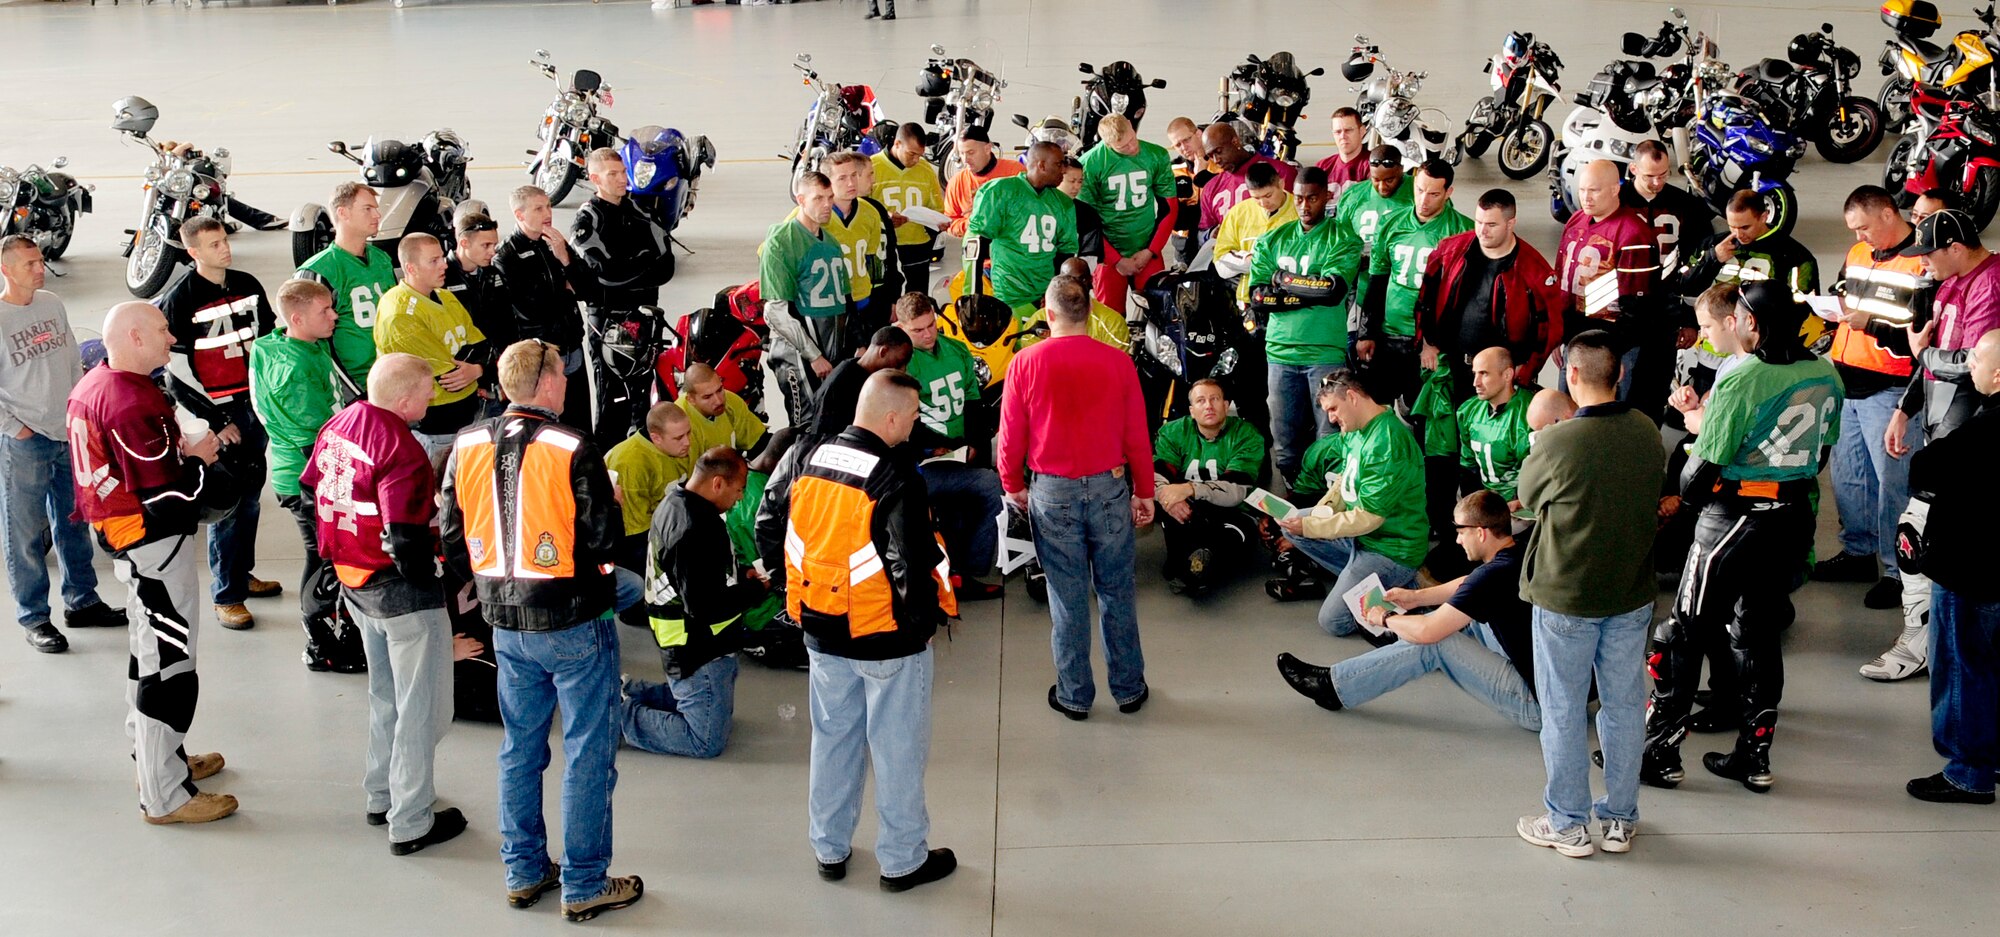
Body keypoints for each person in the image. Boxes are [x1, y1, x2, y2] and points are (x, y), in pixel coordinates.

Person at [438, 340, 641, 922]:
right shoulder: (572, 446)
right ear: (551, 381)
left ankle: (523, 871)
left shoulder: (468, 443)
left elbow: (452, 535)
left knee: (520, 748)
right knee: (587, 752)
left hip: (505, 621)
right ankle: (583, 883)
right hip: (574, 619)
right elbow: (604, 543)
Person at [1646, 282, 1843, 794]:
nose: (1731, 324)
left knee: (1682, 630)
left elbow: (1699, 474)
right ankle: (1754, 758)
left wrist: (1680, 507)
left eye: (1738, 318)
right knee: (1757, 632)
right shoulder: (1827, 372)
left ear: (1751, 322)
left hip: (1733, 515)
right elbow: (1821, 453)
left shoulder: (1744, 379)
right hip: (1794, 513)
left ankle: (1658, 752)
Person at [789, 370, 959, 891]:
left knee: (833, 738)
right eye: (911, 415)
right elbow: (908, 562)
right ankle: (902, 860)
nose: (914, 424)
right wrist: (921, 629)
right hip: (885, 639)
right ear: (890, 418)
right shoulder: (896, 476)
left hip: (822, 630)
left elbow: (772, 526)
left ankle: (829, 848)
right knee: (897, 747)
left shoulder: (809, 457)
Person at [70, 301, 231, 824]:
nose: (171, 338)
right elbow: (169, 495)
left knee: (149, 652)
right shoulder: (127, 402)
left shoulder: (96, 382)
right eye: (162, 330)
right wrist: (201, 460)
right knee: (170, 663)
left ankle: (155, 755)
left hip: (127, 539)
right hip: (152, 545)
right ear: (135, 338)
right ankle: (165, 793)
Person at [302, 353, 464, 854]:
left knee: (385, 696)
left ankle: (381, 794)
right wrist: (433, 582)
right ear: (404, 399)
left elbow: (311, 495)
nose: (433, 398)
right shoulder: (401, 447)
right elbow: (406, 540)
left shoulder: (339, 423)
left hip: (354, 584)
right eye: (428, 391)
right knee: (425, 708)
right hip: (400, 594)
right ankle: (412, 819)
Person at [1512, 330, 1664, 859]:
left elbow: (1527, 501)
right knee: (1623, 707)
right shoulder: (1645, 430)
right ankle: (1620, 819)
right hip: (1629, 592)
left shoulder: (1558, 441)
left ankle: (1569, 825)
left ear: (1570, 375)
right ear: (1618, 374)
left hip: (1566, 596)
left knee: (1562, 710)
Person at [999, 277, 1154, 719]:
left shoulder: (1025, 363)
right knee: (1117, 591)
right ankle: (1128, 689)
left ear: (1048, 315)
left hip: (1052, 490)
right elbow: (1137, 437)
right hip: (1110, 486)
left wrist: (1013, 484)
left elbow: (1011, 437)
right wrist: (1144, 491)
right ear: (1089, 311)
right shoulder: (1117, 362)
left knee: (1066, 598)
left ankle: (1074, 695)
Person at [1275, 490, 1540, 730]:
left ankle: (1333, 687)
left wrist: (1386, 618)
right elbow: (1467, 585)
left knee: (1436, 641)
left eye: (1460, 531)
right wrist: (1415, 597)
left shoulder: (1493, 575)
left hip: (1535, 705)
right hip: (1559, 690)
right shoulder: (1515, 555)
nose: (1458, 540)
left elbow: (1429, 631)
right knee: (1468, 620)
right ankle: (1404, 638)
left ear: (1480, 532)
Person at [1822, 186, 1931, 672]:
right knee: (1848, 475)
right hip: (1846, 379)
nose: (1860, 237)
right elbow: (1846, 292)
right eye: (1854, 231)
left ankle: (1893, 569)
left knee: (1893, 484)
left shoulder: (1919, 263)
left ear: (1889, 213)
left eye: (1864, 226)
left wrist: (1868, 325)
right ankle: (1859, 549)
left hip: (1890, 388)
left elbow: (1919, 332)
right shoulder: (1859, 251)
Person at [0, 236, 124, 653]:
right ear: (6, 270)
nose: (40, 269)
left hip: (67, 432)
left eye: (40, 261)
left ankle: (82, 601)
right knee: (25, 535)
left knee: (74, 520)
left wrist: (79, 412)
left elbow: (73, 359)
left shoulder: (51, 303)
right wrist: (17, 428)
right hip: (25, 443)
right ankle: (34, 616)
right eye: (30, 263)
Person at [157, 216, 281, 630]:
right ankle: (227, 596)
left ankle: (241, 573)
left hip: (256, 407)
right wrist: (217, 419)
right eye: (212, 245)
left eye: (224, 240)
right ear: (192, 253)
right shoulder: (180, 299)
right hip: (221, 416)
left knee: (250, 498)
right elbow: (176, 371)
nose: (223, 249)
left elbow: (267, 344)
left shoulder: (247, 284)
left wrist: (268, 399)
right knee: (227, 503)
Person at [1903, 328, 2000, 805]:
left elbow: (1924, 469)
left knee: (1963, 668)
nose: (1969, 367)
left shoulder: (1982, 428)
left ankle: (1968, 770)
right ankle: (1992, 755)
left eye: (1977, 359)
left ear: (1998, 374)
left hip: (1969, 568)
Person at [622, 446, 767, 759]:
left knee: (711, 708)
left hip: (695, 640)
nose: (740, 498)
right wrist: (757, 591)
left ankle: (632, 692)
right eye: (739, 489)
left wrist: (742, 574)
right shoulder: (695, 527)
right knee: (706, 740)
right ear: (717, 484)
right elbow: (705, 606)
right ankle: (619, 717)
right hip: (697, 647)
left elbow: (702, 572)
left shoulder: (678, 501)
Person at [251, 278, 364, 674]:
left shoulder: (275, 343)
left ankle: (328, 634)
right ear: (297, 319)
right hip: (307, 477)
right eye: (325, 312)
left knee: (321, 556)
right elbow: (322, 431)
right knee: (323, 560)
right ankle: (321, 642)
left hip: (301, 471)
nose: (334, 315)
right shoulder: (296, 370)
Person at [1271, 369, 1428, 637]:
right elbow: (1345, 481)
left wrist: (1311, 527)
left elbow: (1369, 517)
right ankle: (1363, 579)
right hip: (1363, 539)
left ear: (1353, 397)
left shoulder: (1387, 441)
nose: (1331, 419)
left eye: (1333, 409)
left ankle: (1408, 590)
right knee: (1290, 523)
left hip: (1391, 549)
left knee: (1333, 621)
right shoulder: (1354, 430)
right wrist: (1323, 511)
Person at [1247, 166, 1362, 484]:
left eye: (1312, 198)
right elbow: (1257, 296)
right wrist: (1309, 289)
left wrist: (1282, 281)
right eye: (1298, 198)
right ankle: (1293, 503)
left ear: (1327, 196)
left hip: (1325, 351)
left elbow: (1333, 290)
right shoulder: (1273, 238)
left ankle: (1323, 507)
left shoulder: (1343, 238)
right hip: (1280, 353)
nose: (1304, 205)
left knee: (1328, 438)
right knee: (1284, 441)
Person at [894, 293, 1007, 597]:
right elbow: (904, 423)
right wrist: (933, 448)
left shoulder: (957, 351)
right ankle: (965, 572)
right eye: (918, 330)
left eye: (931, 325)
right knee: (988, 487)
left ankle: (963, 570)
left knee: (978, 492)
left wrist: (975, 445)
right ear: (901, 327)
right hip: (922, 462)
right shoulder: (901, 364)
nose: (928, 334)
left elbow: (974, 404)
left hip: (959, 450)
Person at [1414, 188, 1566, 405]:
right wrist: (1427, 343)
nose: (1482, 231)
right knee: (1443, 432)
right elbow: (1426, 297)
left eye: (1491, 225)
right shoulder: (1451, 251)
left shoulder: (1535, 271)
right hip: (1452, 367)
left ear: (1511, 224)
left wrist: (1527, 368)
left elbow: (1551, 328)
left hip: (1502, 379)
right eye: (1478, 222)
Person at [570, 147, 675, 445]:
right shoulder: (588, 220)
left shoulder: (642, 211)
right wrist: (643, 261)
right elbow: (604, 274)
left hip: (645, 322)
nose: (622, 180)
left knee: (645, 400)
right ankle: (606, 467)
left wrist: (627, 264)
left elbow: (666, 267)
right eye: (613, 174)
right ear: (595, 179)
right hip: (608, 325)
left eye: (624, 173)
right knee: (613, 402)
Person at [1361, 158, 1473, 406]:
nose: (1423, 200)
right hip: (1390, 334)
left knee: (1423, 414)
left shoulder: (1463, 232)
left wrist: (1433, 342)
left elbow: (1460, 299)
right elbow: (1377, 280)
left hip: (1430, 343)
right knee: (1377, 408)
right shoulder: (1390, 223)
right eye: (1420, 190)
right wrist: (1366, 332)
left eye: (1433, 194)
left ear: (1448, 193)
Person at [1556, 160, 1663, 416]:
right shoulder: (1576, 220)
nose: (1586, 198)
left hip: (1611, 349)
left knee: (1604, 418)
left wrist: (1610, 353)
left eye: (1594, 190)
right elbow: (1562, 278)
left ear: (1616, 189)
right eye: (1582, 190)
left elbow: (1638, 306)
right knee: (1565, 414)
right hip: (1574, 341)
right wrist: (1557, 333)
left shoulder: (1634, 234)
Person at [374, 233, 492, 456]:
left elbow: (483, 346)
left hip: (466, 416)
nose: (444, 265)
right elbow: (449, 377)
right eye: (434, 261)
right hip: (434, 427)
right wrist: (478, 366)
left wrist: (478, 369)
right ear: (411, 268)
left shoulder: (445, 296)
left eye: (442, 258)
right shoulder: (399, 314)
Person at [1152, 378, 1266, 595]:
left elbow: (1235, 492)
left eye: (1215, 399)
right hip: (1186, 508)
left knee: (1236, 539)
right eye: (1201, 401)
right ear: (1191, 410)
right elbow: (1156, 478)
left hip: (1232, 513)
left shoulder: (1247, 435)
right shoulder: (1173, 432)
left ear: (1226, 405)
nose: (1208, 406)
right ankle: (1194, 567)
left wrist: (1191, 488)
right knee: (1176, 517)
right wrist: (1168, 500)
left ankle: (1195, 567)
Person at [494, 184, 594, 426]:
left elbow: (588, 288)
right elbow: (533, 309)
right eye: (538, 208)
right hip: (543, 356)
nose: (547, 213)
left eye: (548, 206)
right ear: (520, 215)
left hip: (573, 348)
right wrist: (566, 291)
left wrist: (565, 259)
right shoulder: (507, 256)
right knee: (549, 425)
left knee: (580, 422)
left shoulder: (556, 242)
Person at [763, 171, 855, 424]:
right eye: (818, 199)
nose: (827, 205)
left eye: (829, 197)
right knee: (805, 422)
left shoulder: (832, 242)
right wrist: (813, 356)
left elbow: (844, 301)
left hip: (831, 346)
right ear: (800, 199)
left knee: (832, 418)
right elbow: (775, 311)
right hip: (798, 353)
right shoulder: (781, 242)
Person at [295, 182, 395, 390]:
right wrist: (352, 393)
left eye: (376, 208)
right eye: (368, 209)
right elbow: (310, 342)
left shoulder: (382, 259)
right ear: (343, 213)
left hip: (390, 376)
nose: (377, 215)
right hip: (355, 387)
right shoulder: (318, 271)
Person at [966, 141, 1079, 320]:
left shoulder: (1063, 203)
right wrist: (974, 296)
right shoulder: (1000, 192)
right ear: (1041, 165)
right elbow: (975, 244)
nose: (1064, 170)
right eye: (1058, 164)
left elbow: (1065, 254)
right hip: (1009, 296)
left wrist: (1055, 291)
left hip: (1045, 296)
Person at [801, 151, 901, 343]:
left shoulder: (870, 212)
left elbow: (875, 258)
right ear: (827, 182)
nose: (851, 183)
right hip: (828, 309)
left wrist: (890, 296)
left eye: (854, 175)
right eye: (842, 178)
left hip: (864, 303)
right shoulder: (811, 215)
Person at [1080, 115, 1177, 313]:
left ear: (1132, 127)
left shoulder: (1156, 155)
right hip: (1109, 255)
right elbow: (1086, 221)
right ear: (1107, 144)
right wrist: (1116, 259)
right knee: (1110, 320)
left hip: (1147, 248)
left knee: (1160, 312)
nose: (1132, 148)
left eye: (1132, 139)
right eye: (1123, 147)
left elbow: (1169, 208)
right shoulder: (1090, 164)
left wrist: (1151, 250)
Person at [1622, 139, 1720, 299]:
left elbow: (1699, 249)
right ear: (1634, 169)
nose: (1657, 182)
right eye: (1649, 176)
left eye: (1663, 174)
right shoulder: (1618, 201)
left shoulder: (1686, 204)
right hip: (1626, 290)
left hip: (1670, 292)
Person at [1332, 147, 1415, 330]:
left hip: (1405, 303)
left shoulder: (1418, 194)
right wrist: (1354, 259)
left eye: (1389, 180)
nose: (1382, 187)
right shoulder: (1353, 197)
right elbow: (1340, 244)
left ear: (1401, 170)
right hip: (1363, 295)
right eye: (1376, 180)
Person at [605, 402, 694, 569]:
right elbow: (634, 537)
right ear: (656, 438)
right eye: (679, 438)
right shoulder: (630, 463)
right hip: (630, 542)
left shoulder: (677, 447)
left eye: (688, 433)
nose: (687, 442)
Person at [1458, 346, 1535, 510]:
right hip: (1488, 503)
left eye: (1484, 373)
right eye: (1475, 374)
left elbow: (1539, 475)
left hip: (1523, 507)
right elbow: (1468, 465)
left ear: (1507, 375)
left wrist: (1521, 503)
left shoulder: (1530, 413)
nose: (1475, 383)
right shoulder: (1468, 410)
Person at [874, 123, 946, 293]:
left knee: (918, 297)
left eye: (919, 155)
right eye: (911, 154)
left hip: (917, 245)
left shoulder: (926, 170)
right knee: (888, 297)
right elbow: (861, 206)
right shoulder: (872, 166)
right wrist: (884, 219)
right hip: (883, 246)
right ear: (897, 144)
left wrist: (938, 223)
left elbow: (936, 207)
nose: (915, 160)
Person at [1197, 121, 1298, 239]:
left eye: (1218, 152)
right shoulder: (1211, 188)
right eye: (1210, 156)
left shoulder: (1280, 172)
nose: (1216, 160)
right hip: (1229, 253)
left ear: (1235, 142)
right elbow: (1202, 232)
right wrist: (1211, 234)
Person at [809, 327, 915, 439]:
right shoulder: (840, 383)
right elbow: (822, 435)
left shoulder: (877, 377)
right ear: (883, 352)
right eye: (899, 363)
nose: (902, 370)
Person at [1210, 161, 1297, 291]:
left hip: (1290, 298)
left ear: (1281, 184)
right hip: (1249, 299)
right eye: (1256, 198)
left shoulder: (1300, 212)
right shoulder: (1238, 213)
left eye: (1268, 195)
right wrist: (1248, 259)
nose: (1263, 203)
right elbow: (1220, 263)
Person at [445, 211, 512, 353]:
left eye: (494, 245)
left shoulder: (493, 274)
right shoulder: (441, 279)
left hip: (496, 361)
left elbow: (507, 321)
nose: (493, 252)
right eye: (486, 245)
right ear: (464, 243)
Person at [678, 363, 768, 467]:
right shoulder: (679, 425)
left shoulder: (732, 402)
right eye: (707, 397)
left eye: (720, 390)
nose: (718, 401)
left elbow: (759, 444)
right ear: (691, 399)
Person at [942, 126, 1024, 239]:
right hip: (974, 251)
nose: (965, 159)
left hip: (1009, 250)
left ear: (987, 149)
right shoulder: (956, 182)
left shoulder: (1015, 173)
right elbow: (949, 222)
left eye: (971, 152)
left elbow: (1030, 211)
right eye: (961, 153)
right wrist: (971, 225)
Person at [1165, 116, 1218, 266]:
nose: (1183, 147)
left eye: (1186, 140)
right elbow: (1174, 218)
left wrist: (1203, 176)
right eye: (1177, 145)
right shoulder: (1173, 170)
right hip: (1185, 249)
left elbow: (1224, 206)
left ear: (1199, 134)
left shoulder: (1220, 161)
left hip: (1217, 243)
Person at [1314, 107, 1370, 192]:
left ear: (1362, 131)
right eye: (1338, 132)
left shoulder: (1373, 166)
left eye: (1348, 130)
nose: (1343, 136)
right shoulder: (1322, 167)